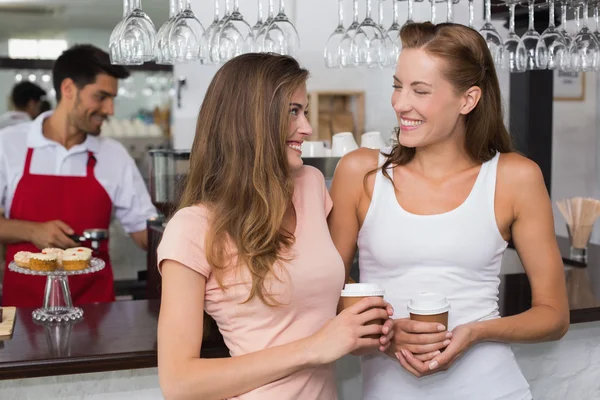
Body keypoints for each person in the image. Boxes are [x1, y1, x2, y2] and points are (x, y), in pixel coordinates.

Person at [328, 22, 569, 400]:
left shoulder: (515, 177)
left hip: (492, 389)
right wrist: (384, 335)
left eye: (419, 90)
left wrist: (476, 332)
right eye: (397, 85)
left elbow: (554, 315)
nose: (400, 103)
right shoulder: (360, 173)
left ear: (468, 100)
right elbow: (322, 298)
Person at [157, 53, 394, 400]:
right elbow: (179, 383)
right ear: (250, 121)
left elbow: (317, 287)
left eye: (306, 111)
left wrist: (365, 328)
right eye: (292, 112)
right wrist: (315, 347)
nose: (308, 128)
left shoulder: (311, 186)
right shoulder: (192, 228)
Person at [0, 44, 157, 307]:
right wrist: (32, 230)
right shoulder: (8, 145)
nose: (110, 110)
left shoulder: (114, 155)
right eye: (101, 97)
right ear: (69, 90)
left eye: (112, 99)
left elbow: (144, 232)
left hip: (96, 313)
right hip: (22, 313)